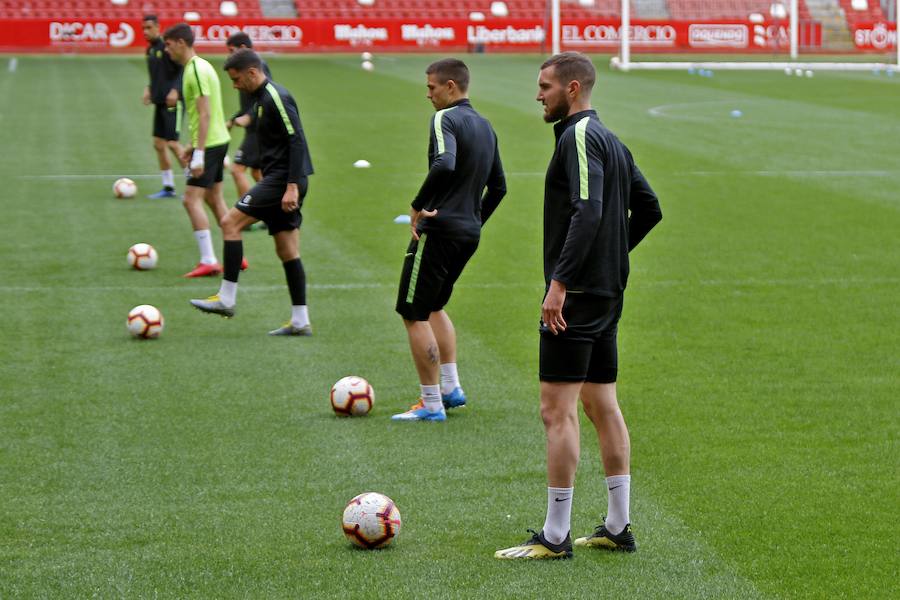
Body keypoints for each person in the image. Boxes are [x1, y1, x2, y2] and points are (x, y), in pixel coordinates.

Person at [494, 52, 662, 560]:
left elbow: (587, 212)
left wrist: (562, 282)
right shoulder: (611, 138)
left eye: (544, 86)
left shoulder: (580, 136)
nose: (537, 94)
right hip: (606, 294)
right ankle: (617, 525)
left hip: (579, 299)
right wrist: (611, 261)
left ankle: (555, 534)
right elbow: (649, 207)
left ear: (572, 89)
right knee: (601, 404)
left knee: (556, 410)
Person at [391, 58, 506, 422]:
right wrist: (474, 220)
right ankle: (451, 388)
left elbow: (444, 163)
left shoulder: (446, 118)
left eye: (431, 87)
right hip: (468, 232)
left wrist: (417, 206)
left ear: (451, 86)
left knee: (413, 312)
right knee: (436, 305)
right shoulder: (486, 126)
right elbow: (499, 187)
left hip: (439, 229)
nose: (428, 95)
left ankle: (430, 403)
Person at [188, 49, 315, 336]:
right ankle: (300, 320)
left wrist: (292, 186)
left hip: (283, 180)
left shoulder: (275, 97)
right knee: (287, 250)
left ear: (252, 73)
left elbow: (296, 140)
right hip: (279, 178)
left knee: (229, 222)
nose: (234, 85)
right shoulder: (259, 100)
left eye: (236, 79)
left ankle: (226, 298)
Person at [163, 23, 237, 278]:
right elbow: (206, 115)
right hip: (217, 140)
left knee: (190, 199)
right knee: (214, 198)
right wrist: (193, 146)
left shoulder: (194, 70)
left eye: (169, 44)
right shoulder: (201, 66)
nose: (167, 49)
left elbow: (204, 114)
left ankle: (208, 260)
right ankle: (238, 256)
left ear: (181, 42)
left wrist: (199, 154)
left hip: (212, 144)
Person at [224, 32, 273, 204]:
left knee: (237, 169)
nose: (229, 54)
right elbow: (248, 104)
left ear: (243, 48)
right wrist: (233, 119)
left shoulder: (259, 67)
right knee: (257, 173)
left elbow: (265, 98)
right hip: (255, 128)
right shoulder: (246, 69)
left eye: (231, 50)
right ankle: (272, 211)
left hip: (258, 129)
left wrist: (249, 117)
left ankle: (248, 214)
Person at [141, 14, 184, 199]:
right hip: (159, 102)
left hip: (173, 103)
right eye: (143, 28)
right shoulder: (150, 50)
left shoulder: (168, 48)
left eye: (149, 28)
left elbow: (183, 69)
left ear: (158, 27)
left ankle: (196, 183)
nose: (145, 32)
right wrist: (149, 88)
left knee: (173, 143)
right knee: (159, 144)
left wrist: (176, 90)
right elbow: (156, 75)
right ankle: (168, 187)